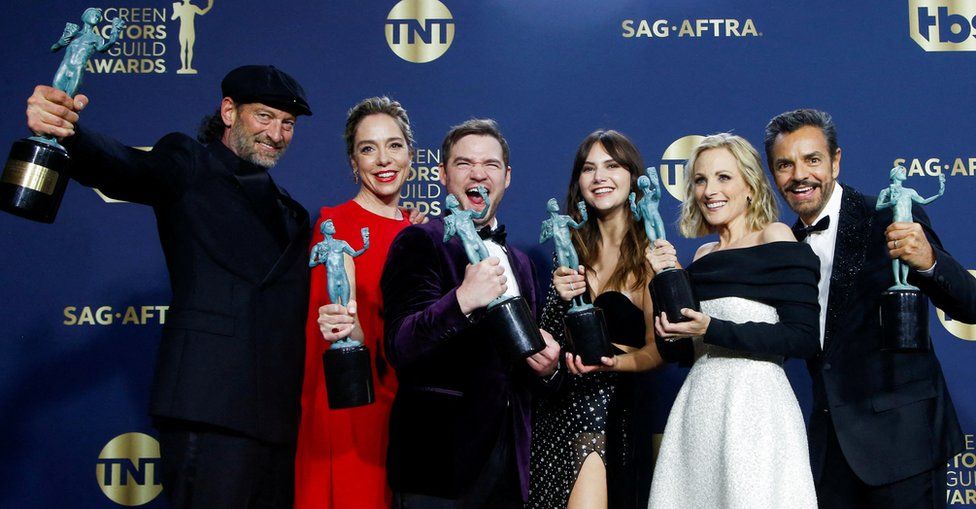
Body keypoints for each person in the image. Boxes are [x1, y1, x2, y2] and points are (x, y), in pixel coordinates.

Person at [25, 64, 313, 508]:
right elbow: (126, 165)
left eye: (287, 123)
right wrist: (70, 136)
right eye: (264, 116)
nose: (276, 133)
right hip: (209, 404)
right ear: (229, 111)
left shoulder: (290, 210)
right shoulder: (188, 162)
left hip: (278, 416)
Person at [764, 109, 976, 509]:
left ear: (836, 161)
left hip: (904, 443)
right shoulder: (783, 244)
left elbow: (969, 304)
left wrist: (929, 260)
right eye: (784, 164)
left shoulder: (888, 213)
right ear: (773, 174)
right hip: (829, 454)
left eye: (812, 160)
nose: (799, 175)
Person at [380, 118, 561, 508]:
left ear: (506, 176)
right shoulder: (419, 241)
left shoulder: (523, 263)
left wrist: (546, 368)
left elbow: (520, 372)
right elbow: (400, 346)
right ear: (443, 174)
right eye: (464, 164)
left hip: (510, 465)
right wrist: (462, 299)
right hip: (439, 462)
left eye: (490, 165)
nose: (478, 173)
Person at [646, 133, 820, 508]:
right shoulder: (702, 256)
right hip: (700, 407)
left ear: (750, 186)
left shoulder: (775, 236)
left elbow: (803, 339)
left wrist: (712, 328)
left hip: (756, 408)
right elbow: (680, 351)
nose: (710, 190)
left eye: (724, 177)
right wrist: (664, 283)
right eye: (701, 180)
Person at [294, 97, 423, 509]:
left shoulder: (421, 229)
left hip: (411, 410)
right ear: (353, 161)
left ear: (411, 154)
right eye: (368, 148)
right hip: (353, 405)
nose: (383, 159)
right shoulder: (336, 225)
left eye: (394, 145)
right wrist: (341, 324)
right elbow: (330, 326)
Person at [528, 130, 664, 509]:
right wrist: (559, 297)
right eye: (589, 169)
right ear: (579, 184)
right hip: (557, 415)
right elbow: (548, 345)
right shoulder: (566, 253)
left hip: (610, 413)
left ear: (633, 177)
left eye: (612, 166)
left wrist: (612, 360)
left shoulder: (654, 255)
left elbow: (661, 351)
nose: (599, 177)